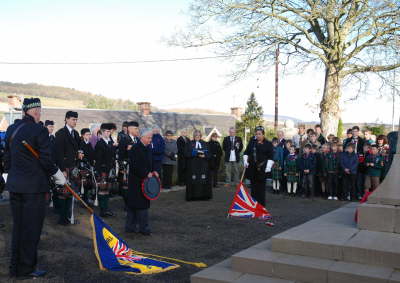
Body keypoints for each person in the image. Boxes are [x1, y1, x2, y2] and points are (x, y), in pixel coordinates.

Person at [5, 98, 66, 279]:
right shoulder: (39, 129)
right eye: (39, 110)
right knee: (31, 230)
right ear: (36, 111)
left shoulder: (11, 129)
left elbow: (7, 159)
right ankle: (26, 269)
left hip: (15, 186)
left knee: (18, 228)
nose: (40, 113)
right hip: (34, 189)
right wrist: (59, 176)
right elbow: (46, 160)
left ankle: (15, 267)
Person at [125, 128, 158, 235]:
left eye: (151, 138)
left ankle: (137, 226)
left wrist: (154, 171)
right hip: (136, 181)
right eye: (148, 138)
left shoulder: (148, 148)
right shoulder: (135, 149)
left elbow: (151, 162)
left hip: (145, 181)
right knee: (136, 206)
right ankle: (138, 227)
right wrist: (145, 173)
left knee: (141, 205)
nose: (150, 140)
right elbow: (134, 165)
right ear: (142, 138)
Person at [54, 111, 80, 225]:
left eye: (76, 119)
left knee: (72, 192)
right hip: (64, 167)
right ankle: (63, 218)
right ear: (66, 119)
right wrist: (63, 169)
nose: (75, 122)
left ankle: (70, 216)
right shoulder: (60, 133)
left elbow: (77, 149)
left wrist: (79, 154)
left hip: (73, 167)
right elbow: (58, 154)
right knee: (64, 193)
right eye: (73, 119)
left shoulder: (76, 134)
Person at [243, 126, 274, 207]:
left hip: (262, 169)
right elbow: (246, 152)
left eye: (259, 134)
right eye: (256, 134)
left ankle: (261, 206)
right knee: (253, 188)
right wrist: (245, 161)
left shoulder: (268, 144)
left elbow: (271, 157)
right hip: (253, 169)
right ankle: (253, 205)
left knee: (261, 189)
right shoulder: (252, 142)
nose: (258, 136)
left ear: (263, 134)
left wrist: (268, 167)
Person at [95, 123, 116, 217]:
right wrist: (100, 172)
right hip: (102, 170)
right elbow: (98, 160)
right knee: (102, 190)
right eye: (107, 131)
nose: (108, 133)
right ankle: (102, 210)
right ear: (102, 132)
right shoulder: (99, 143)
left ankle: (106, 208)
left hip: (110, 169)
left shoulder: (110, 142)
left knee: (107, 189)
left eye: (109, 131)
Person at [185, 130, 212, 201]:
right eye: (196, 135)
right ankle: (192, 197)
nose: (197, 136)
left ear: (201, 136)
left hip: (203, 166)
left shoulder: (205, 144)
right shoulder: (189, 143)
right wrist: (193, 153)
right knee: (193, 180)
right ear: (194, 136)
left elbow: (209, 154)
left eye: (198, 135)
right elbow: (185, 154)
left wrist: (204, 155)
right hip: (193, 165)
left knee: (203, 180)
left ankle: (204, 196)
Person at [118, 121, 139, 203]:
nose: (137, 130)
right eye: (136, 128)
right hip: (127, 167)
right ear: (130, 129)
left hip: (136, 167)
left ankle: (133, 201)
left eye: (138, 128)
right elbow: (121, 155)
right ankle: (127, 204)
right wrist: (122, 168)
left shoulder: (137, 139)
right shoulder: (124, 140)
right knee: (127, 187)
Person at [78, 128, 95, 203]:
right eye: (87, 134)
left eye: (89, 134)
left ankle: (87, 198)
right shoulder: (81, 143)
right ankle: (84, 199)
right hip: (83, 166)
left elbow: (92, 154)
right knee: (83, 184)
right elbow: (81, 156)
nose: (89, 136)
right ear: (83, 135)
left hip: (89, 166)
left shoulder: (89, 143)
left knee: (89, 184)